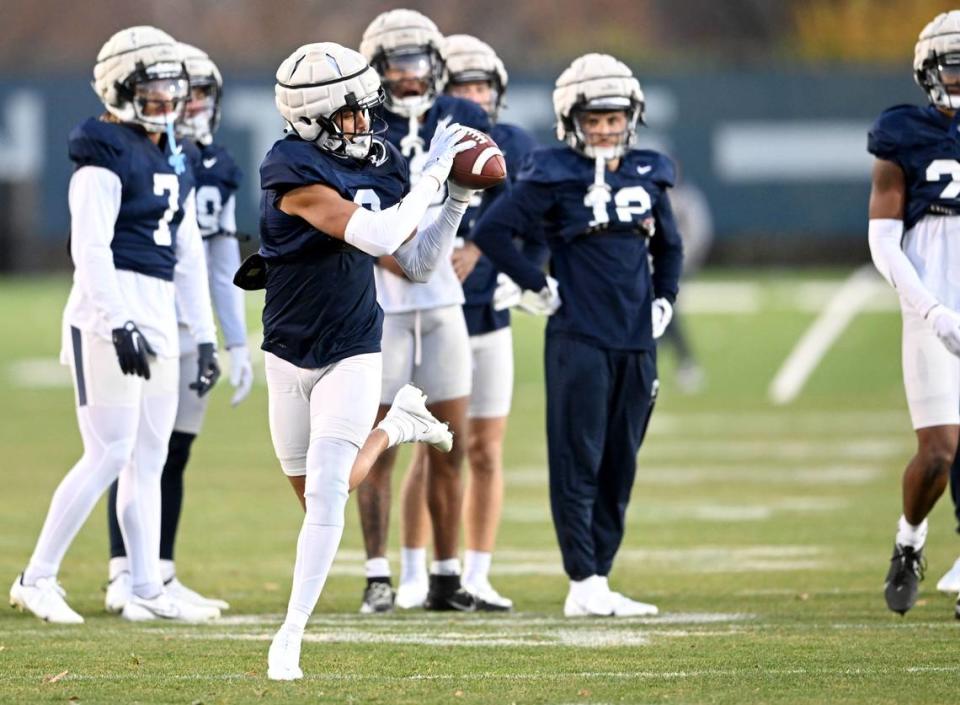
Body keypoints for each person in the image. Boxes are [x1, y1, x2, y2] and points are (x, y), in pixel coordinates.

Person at [258, 41, 475, 680]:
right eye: (351, 113)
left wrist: (456, 198)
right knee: (324, 490)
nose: (366, 124)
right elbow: (377, 234)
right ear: (313, 118)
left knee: (327, 494)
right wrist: (433, 178)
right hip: (287, 349)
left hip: (353, 346)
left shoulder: (377, 163)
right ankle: (399, 424)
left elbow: (416, 263)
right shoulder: (288, 166)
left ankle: (290, 636)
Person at [9, 26, 221, 623]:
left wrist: (201, 334)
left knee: (148, 459)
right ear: (119, 87)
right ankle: (37, 576)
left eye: (171, 89)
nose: (166, 100)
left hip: (155, 317)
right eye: (152, 89)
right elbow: (91, 248)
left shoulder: (168, 151)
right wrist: (118, 320)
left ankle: (146, 587)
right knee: (109, 451)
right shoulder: (100, 152)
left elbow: (188, 255)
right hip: (107, 319)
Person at [470, 53, 683, 617]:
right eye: (596, 119)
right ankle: (582, 579)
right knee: (578, 459)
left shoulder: (649, 169)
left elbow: (671, 245)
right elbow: (493, 231)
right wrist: (534, 285)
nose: (607, 130)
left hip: (637, 338)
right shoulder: (552, 172)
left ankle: (601, 577)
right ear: (572, 119)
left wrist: (665, 297)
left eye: (615, 119)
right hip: (579, 337)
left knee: (621, 462)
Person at [395, 33, 543, 611]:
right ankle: (413, 570)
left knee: (485, 449)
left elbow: (541, 217)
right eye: (463, 86)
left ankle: (478, 573)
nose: (473, 96)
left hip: (488, 313)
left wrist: (508, 262)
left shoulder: (513, 146)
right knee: (427, 448)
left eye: (483, 85)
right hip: (428, 311)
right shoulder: (417, 142)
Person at [103, 42, 251, 615]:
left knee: (174, 452)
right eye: (179, 93)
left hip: (189, 328)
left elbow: (218, 261)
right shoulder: (134, 154)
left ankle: (159, 572)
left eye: (199, 95)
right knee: (130, 451)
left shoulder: (214, 166)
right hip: (140, 315)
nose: (188, 106)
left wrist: (234, 339)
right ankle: (124, 572)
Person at [355, 9, 491, 614]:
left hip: (442, 306)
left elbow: (503, 185)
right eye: (397, 66)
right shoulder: (361, 130)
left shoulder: (462, 121)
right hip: (382, 307)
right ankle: (377, 573)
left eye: (418, 65)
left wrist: (476, 242)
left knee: (450, 444)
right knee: (377, 445)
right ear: (377, 71)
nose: (410, 78)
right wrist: (394, 255)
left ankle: (444, 573)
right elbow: (360, 216)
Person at [868, 10, 960, 617]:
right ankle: (910, 538)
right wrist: (931, 310)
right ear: (929, 73)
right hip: (931, 309)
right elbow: (882, 241)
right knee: (939, 453)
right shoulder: (905, 133)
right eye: (955, 68)